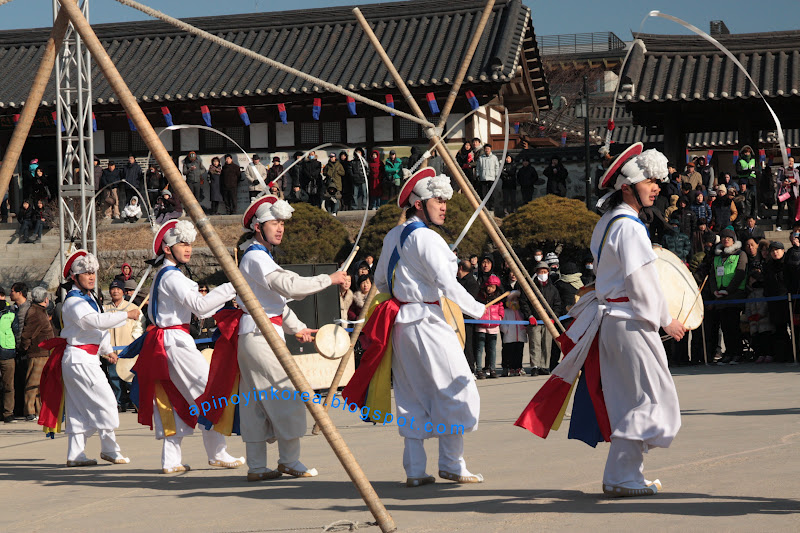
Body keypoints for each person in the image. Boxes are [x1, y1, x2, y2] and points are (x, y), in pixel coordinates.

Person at [516, 142, 686, 498]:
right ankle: (623, 475)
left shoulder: (608, 222)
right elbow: (642, 283)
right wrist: (665, 319)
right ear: (627, 186)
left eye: (658, 180)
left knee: (631, 400)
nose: (658, 186)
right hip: (630, 319)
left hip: (613, 320)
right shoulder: (631, 227)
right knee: (654, 399)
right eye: (651, 180)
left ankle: (624, 475)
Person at [342, 167, 486, 487]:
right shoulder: (427, 238)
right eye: (438, 199)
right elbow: (448, 283)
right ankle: (451, 461)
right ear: (419, 203)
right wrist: (481, 310)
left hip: (401, 325)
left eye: (445, 200)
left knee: (411, 395)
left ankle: (416, 470)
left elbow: (380, 281)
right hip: (429, 321)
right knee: (456, 386)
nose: (444, 205)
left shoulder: (394, 235)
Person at [228, 195, 347, 481]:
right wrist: (328, 279)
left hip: (255, 333)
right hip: (261, 335)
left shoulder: (258, 256)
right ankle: (289, 461)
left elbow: (275, 303)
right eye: (274, 223)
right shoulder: (256, 256)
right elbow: (289, 286)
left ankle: (257, 467)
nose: (280, 228)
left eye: (282, 223)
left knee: (255, 401)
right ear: (258, 227)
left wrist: (298, 328)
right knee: (288, 394)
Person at [133, 220, 243, 474]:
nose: (188, 248)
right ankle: (217, 452)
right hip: (174, 341)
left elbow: (201, 307)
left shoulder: (168, 275)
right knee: (208, 393)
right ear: (167, 248)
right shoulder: (171, 276)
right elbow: (201, 306)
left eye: (190, 243)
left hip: (167, 341)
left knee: (175, 398)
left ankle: (171, 460)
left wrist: (228, 301)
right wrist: (232, 285)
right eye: (182, 243)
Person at [39, 250, 138, 466]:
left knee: (77, 410)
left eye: (93, 272)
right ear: (74, 277)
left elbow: (96, 330)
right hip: (80, 358)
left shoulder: (90, 297)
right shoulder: (73, 301)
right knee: (107, 402)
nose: (91, 276)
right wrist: (126, 315)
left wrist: (107, 350)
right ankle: (110, 449)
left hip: (83, 357)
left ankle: (75, 454)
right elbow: (94, 322)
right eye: (85, 273)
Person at [706, 228, 747, 365]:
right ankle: (728, 352)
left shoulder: (740, 254)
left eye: (728, 238)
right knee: (725, 326)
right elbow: (712, 275)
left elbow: (740, 274)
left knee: (733, 325)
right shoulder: (717, 256)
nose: (725, 240)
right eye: (723, 238)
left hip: (734, 294)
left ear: (733, 240)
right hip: (720, 296)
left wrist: (729, 291)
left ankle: (737, 353)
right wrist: (715, 291)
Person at [103, 279, 142, 412]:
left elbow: (139, 327)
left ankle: (136, 402)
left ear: (123, 291)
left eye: (118, 289)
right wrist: (106, 351)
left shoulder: (131, 308)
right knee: (114, 379)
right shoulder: (104, 309)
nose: (115, 291)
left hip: (128, 350)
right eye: (113, 289)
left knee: (130, 378)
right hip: (111, 351)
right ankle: (119, 403)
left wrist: (133, 342)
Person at [20, 286, 54, 421]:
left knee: (41, 384)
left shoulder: (40, 311)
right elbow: (27, 334)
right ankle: (30, 411)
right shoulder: (35, 312)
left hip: (44, 352)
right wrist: (25, 348)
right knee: (33, 382)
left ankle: (39, 410)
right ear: (45, 298)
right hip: (38, 352)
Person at [475, 275, 504, 379]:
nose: (489, 289)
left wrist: (500, 317)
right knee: (479, 349)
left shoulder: (498, 298)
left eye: (492, 287)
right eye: (488, 286)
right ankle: (478, 369)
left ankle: (492, 369)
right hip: (481, 325)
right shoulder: (480, 297)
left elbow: (501, 308)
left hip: (493, 326)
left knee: (492, 349)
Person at [457, 260, 479, 373]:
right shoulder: (456, 281)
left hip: (466, 318)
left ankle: (470, 368)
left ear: (460, 268)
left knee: (467, 343)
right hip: (456, 318)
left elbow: (469, 301)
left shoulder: (471, 283)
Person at [0, 291, 19, 423]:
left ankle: (8, 413)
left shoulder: (11, 312)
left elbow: (16, 330)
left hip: (7, 352)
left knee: (8, 385)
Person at [499, 286, 526, 376]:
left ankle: (518, 367)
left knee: (519, 352)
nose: (514, 302)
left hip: (520, 336)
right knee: (508, 352)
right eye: (512, 299)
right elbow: (502, 323)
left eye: (516, 299)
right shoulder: (506, 311)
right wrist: (506, 330)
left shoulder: (521, 311)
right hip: (509, 336)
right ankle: (508, 367)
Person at [776, 157, 798, 231]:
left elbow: (798, 181)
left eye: (792, 161)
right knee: (781, 209)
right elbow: (778, 180)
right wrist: (783, 183)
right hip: (783, 192)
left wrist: (794, 180)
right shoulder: (781, 170)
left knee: (791, 210)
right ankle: (779, 225)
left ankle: (791, 225)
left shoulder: (795, 171)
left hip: (791, 192)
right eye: (789, 161)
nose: (791, 162)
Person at [476, 144, 500, 210]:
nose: (487, 150)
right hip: (483, 178)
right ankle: (485, 207)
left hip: (492, 178)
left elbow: (497, 167)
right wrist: (478, 175)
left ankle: (492, 207)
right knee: (484, 194)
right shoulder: (481, 158)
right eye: (486, 149)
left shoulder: (494, 158)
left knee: (492, 194)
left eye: (488, 149)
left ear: (490, 149)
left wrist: (496, 175)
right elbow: (478, 168)